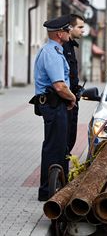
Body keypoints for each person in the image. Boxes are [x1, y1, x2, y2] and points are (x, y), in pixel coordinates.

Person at [32, 15, 76, 201]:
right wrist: (72, 98)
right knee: (55, 148)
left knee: (57, 147)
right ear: (59, 34)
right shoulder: (52, 53)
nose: (69, 33)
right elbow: (59, 86)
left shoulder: (53, 50)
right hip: (54, 104)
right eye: (67, 30)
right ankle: (48, 191)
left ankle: (55, 187)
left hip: (52, 104)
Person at [63, 14, 85, 154]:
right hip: (66, 101)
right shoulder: (63, 48)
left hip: (72, 100)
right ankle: (58, 173)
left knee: (71, 138)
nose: (83, 30)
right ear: (70, 28)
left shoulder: (71, 46)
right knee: (64, 140)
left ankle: (63, 172)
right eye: (80, 27)